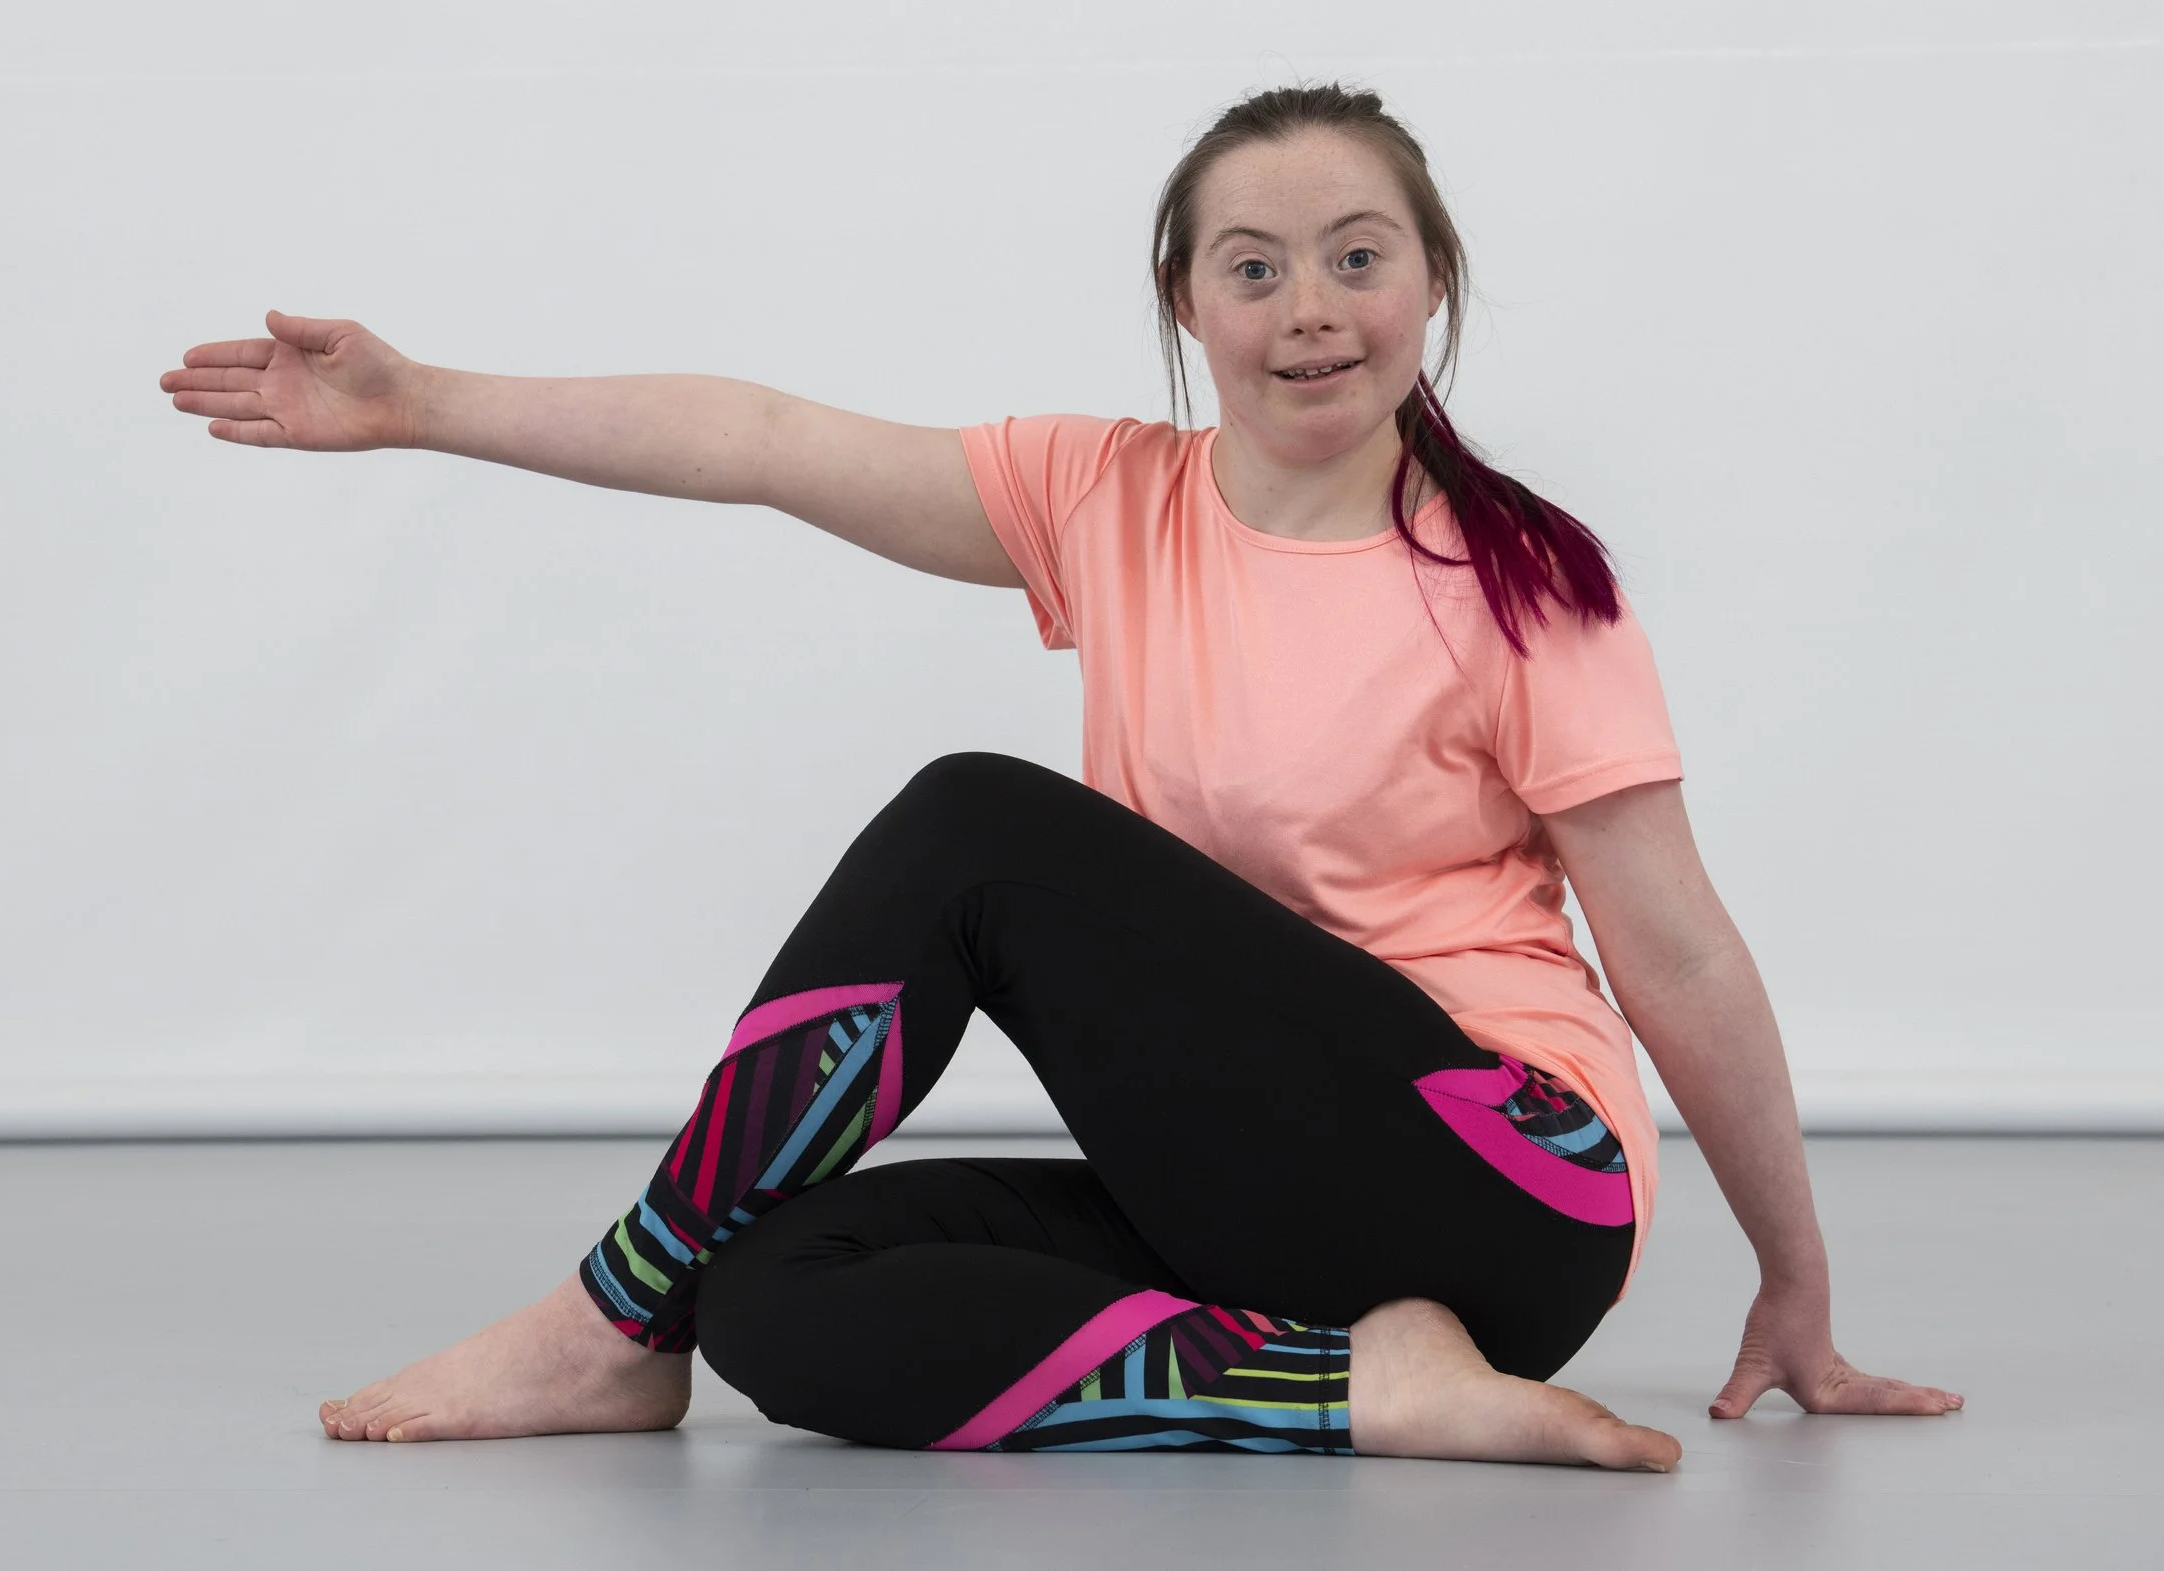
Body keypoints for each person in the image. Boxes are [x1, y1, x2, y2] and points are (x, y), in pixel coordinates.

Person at [159, 82, 1959, 1467]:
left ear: (1433, 285)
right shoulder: (1110, 502)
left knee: (979, 827)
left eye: (1357, 253)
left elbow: (1681, 954)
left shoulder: (1520, 579)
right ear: (1187, 303)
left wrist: (1792, 1279)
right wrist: (423, 403)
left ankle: (603, 1314)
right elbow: (768, 441)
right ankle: (1355, 1386)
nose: (1308, 307)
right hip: (1267, 1194)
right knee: (780, 1296)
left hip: (1509, 1186)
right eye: (1251, 266)